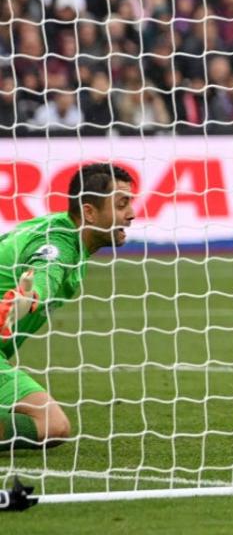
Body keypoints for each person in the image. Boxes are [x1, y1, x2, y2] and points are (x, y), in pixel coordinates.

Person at [0, 163, 135, 449]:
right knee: (52, 425)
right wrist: (31, 296)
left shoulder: (55, 229)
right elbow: (48, 270)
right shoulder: (60, 242)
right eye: (122, 205)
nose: (132, 214)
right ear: (89, 212)